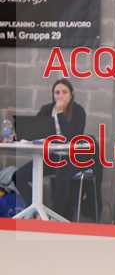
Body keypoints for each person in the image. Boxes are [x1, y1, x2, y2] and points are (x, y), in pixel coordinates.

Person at [13, 78, 86, 218]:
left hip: (70, 158)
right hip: (50, 157)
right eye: (57, 92)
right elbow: (34, 131)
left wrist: (60, 113)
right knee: (18, 176)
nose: (60, 95)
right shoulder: (46, 109)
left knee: (60, 178)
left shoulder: (78, 111)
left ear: (71, 94)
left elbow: (71, 137)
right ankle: (35, 211)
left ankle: (57, 218)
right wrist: (23, 135)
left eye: (64, 92)